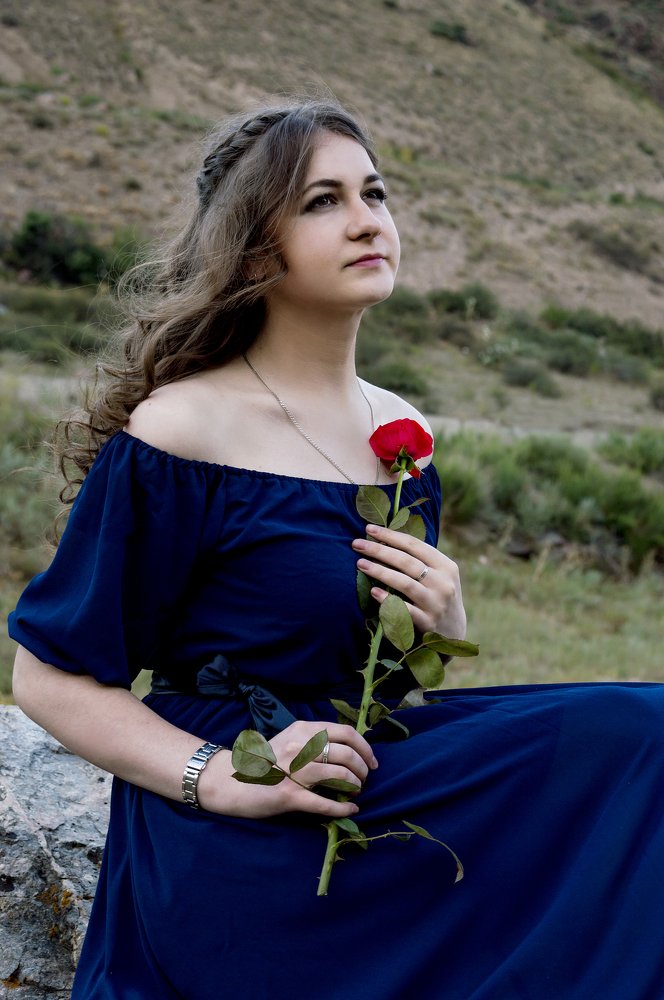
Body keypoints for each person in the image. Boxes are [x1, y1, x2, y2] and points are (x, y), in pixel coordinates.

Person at [9, 99, 664, 1000]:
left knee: (640, 737)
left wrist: (442, 627)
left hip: (363, 783)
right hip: (239, 832)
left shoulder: (402, 433)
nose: (368, 221)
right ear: (254, 248)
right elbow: (48, 679)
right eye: (323, 202)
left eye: (375, 193)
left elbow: (380, 682)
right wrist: (228, 780)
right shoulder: (182, 432)